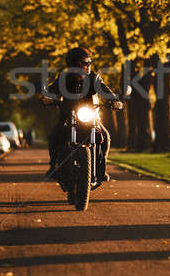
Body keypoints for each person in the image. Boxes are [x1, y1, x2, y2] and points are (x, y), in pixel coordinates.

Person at [41, 47, 121, 182]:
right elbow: (52, 90)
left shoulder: (93, 78)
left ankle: (101, 169)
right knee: (54, 135)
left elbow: (104, 89)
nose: (88, 65)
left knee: (105, 137)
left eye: (90, 62)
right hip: (68, 116)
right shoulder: (64, 78)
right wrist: (47, 98)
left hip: (90, 116)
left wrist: (114, 101)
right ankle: (53, 167)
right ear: (74, 65)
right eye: (84, 63)